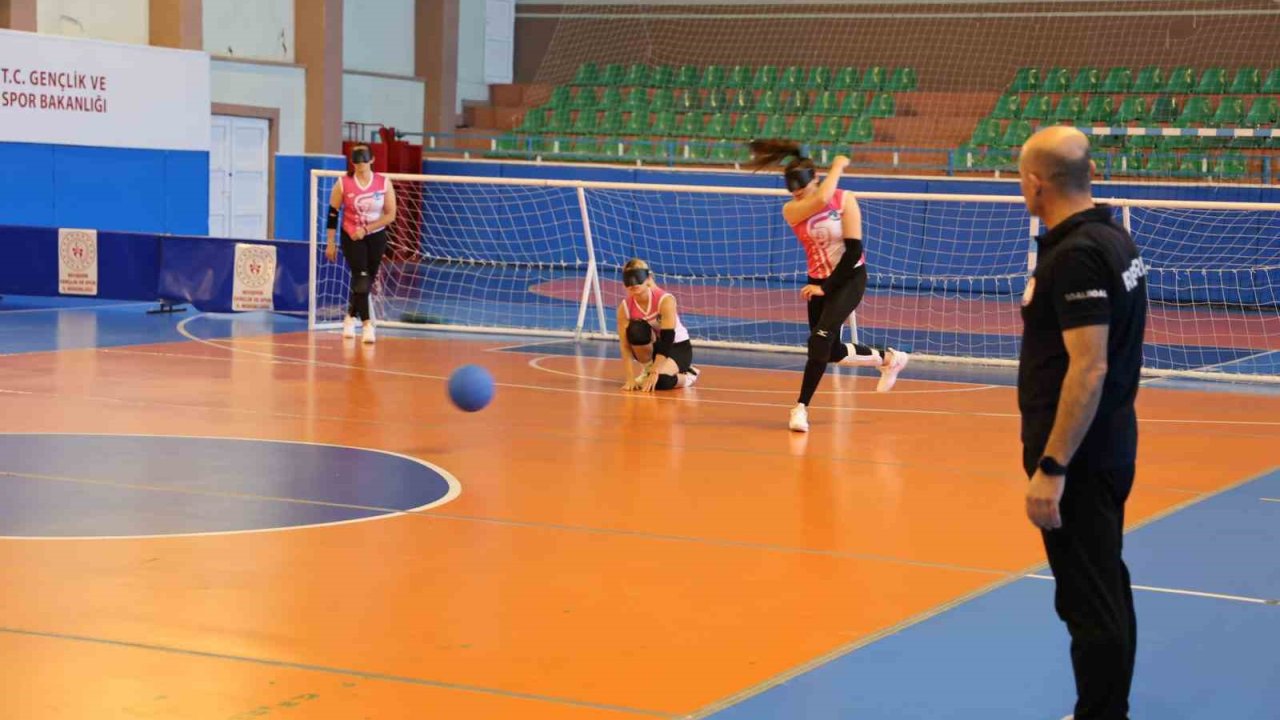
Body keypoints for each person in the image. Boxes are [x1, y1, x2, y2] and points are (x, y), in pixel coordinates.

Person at [1017, 126, 1148, 720]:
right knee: (1105, 582)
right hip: (1111, 443)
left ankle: (1101, 712)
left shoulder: (1077, 256)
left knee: (1087, 598)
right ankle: (1107, 704)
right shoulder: (1113, 236)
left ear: (1035, 184)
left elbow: (1088, 368)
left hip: (1083, 458)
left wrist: (1052, 465)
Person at [747, 140, 909, 433]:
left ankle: (800, 408)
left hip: (849, 277)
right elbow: (820, 200)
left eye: (802, 187)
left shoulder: (846, 199)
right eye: (792, 190)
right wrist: (838, 164)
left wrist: (827, 288)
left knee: (818, 342)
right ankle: (889, 358)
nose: (797, 193)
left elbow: (852, 251)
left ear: (815, 180)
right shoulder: (792, 210)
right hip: (818, 280)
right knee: (830, 350)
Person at [325, 143, 397, 343]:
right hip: (350, 236)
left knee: (367, 280)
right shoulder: (343, 183)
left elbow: (390, 215)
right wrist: (330, 242)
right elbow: (332, 214)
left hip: (375, 236)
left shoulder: (383, 183)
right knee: (361, 276)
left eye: (364, 162)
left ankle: (349, 317)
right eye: (356, 162)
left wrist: (366, 229)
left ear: (372, 160)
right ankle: (366, 325)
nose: (360, 166)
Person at [616, 259, 700, 392]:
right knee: (636, 330)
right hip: (654, 347)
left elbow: (668, 339)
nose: (633, 283)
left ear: (648, 278)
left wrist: (656, 372)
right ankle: (647, 370)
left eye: (638, 277)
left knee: (661, 382)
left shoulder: (665, 300)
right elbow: (625, 345)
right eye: (628, 279)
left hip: (676, 346)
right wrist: (630, 378)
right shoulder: (624, 307)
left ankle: (688, 376)